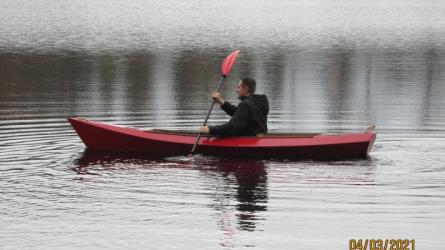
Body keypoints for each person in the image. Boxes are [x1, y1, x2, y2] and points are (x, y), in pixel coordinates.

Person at [197, 77, 269, 136]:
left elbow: (232, 128)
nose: (236, 90)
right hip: (259, 138)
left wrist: (209, 129)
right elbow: (239, 114)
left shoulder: (245, 104)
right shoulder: (258, 102)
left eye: (238, 87)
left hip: (249, 140)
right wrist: (222, 102)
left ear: (246, 89)